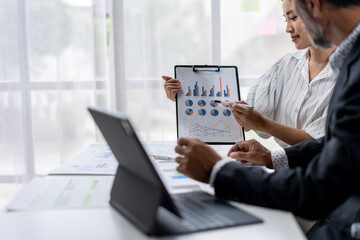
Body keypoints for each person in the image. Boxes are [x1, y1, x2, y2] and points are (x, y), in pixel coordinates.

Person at [173, 0, 360, 239]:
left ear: (315, 5)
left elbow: (318, 189)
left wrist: (218, 171)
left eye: (295, 16)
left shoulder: (349, 67)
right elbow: (337, 144)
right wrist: (273, 157)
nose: (288, 28)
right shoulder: (347, 59)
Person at [163, 0, 337, 147]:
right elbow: (244, 116)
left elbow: (320, 143)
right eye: (285, 19)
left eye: (293, 18)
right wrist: (185, 100)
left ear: (318, 11)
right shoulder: (286, 65)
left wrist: (262, 124)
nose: (287, 29)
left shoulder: (348, 73)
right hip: (288, 174)